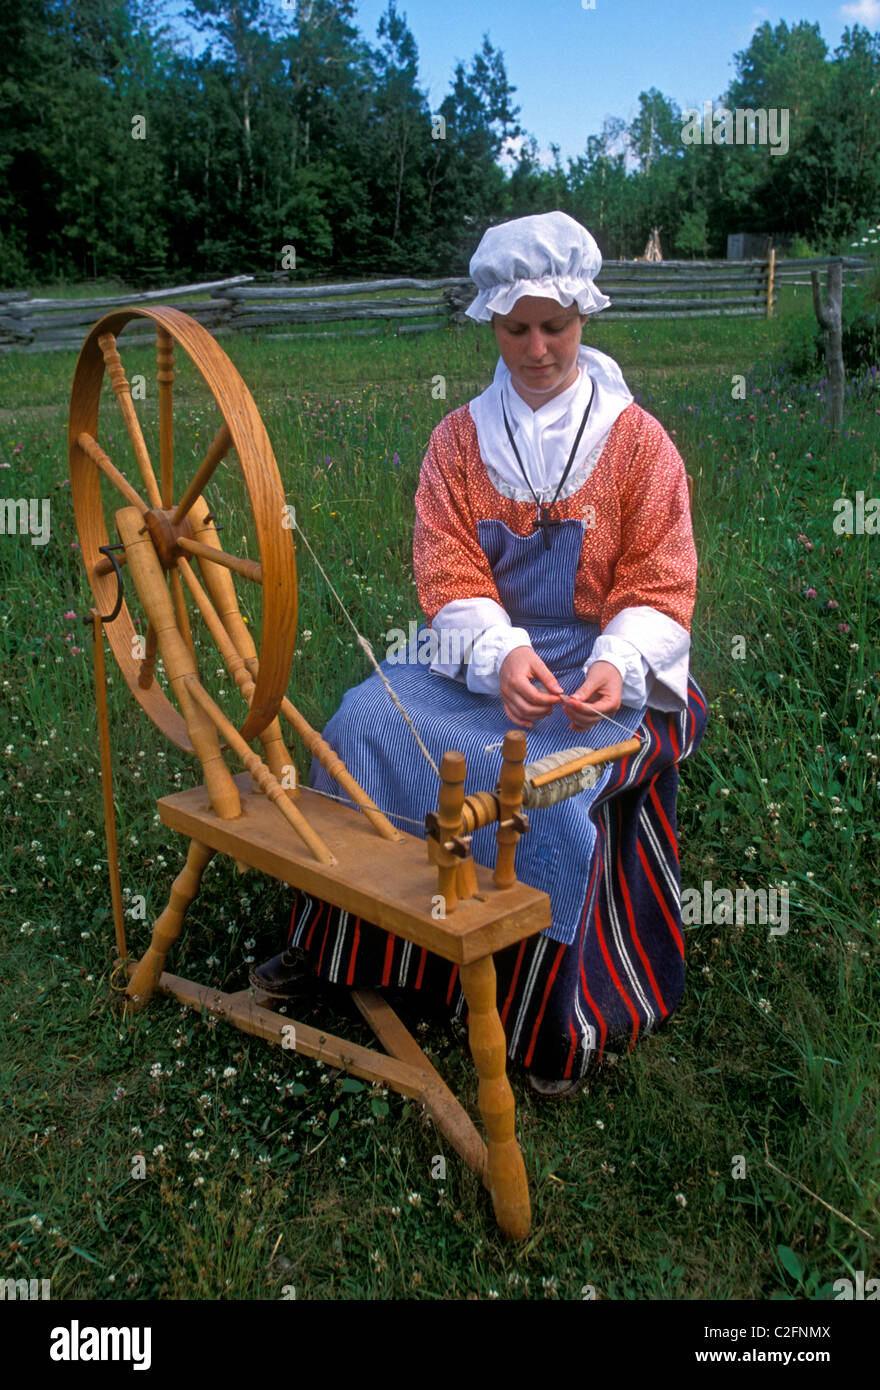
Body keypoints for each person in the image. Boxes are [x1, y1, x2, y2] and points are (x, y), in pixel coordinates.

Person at [252, 211, 707, 1096]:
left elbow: (660, 578)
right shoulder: (456, 441)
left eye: (555, 326)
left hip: (597, 674)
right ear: (490, 323)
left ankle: (547, 1016)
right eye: (516, 328)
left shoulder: (639, 443)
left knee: (554, 785)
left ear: (584, 315)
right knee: (365, 722)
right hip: (480, 659)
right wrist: (499, 657)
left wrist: (615, 664)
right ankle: (348, 943)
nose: (536, 347)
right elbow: (448, 569)